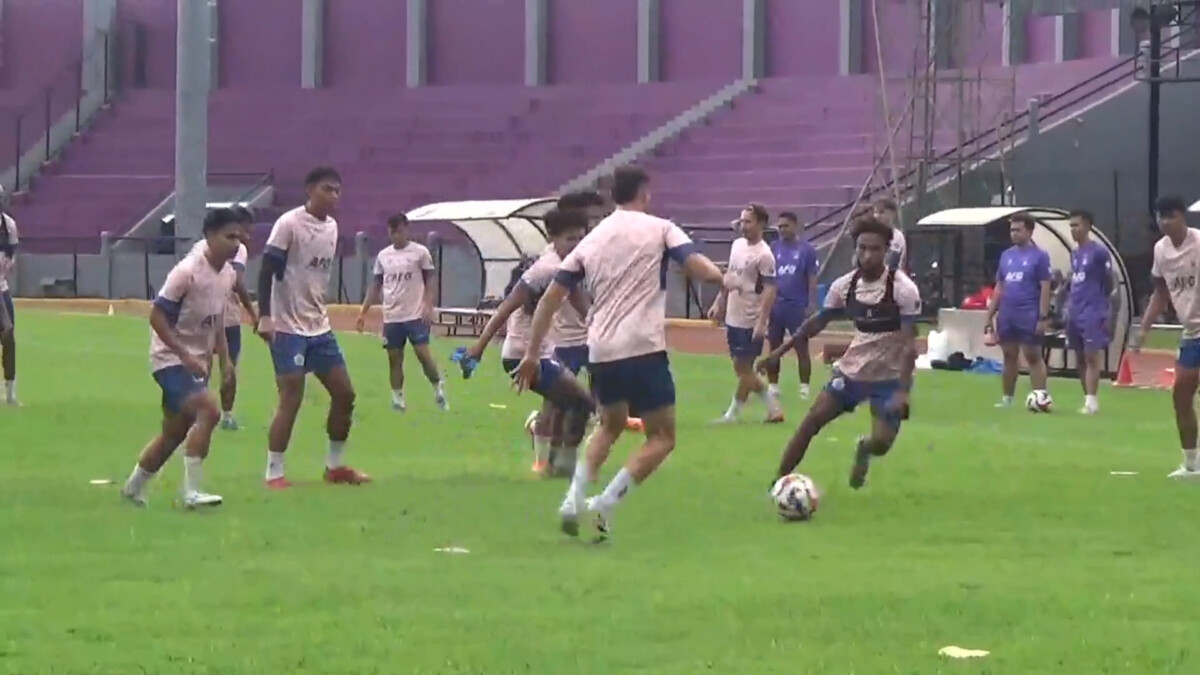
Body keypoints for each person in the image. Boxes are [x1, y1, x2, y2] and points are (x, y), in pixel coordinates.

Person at [514, 165, 726, 539]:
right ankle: (606, 502)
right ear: (644, 193)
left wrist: (532, 354)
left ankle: (572, 499)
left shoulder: (592, 239)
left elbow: (549, 299)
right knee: (662, 437)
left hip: (601, 350)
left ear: (613, 196)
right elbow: (701, 270)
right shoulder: (661, 228)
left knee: (609, 425)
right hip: (643, 347)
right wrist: (727, 278)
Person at [756, 215, 920, 490]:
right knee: (811, 421)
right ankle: (778, 483)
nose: (867, 255)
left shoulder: (903, 289)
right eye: (862, 248)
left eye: (875, 249)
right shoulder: (844, 286)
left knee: (882, 443)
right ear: (855, 249)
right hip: (852, 372)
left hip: (889, 378)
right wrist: (779, 352)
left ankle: (864, 449)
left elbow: (909, 345)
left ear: (886, 251)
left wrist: (903, 391)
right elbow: (816, 323)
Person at [120, 208, 242, 508]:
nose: (236, 243)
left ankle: (133, 488)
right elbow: (157, 316)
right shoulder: (186, 272)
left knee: (174, 432)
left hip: (196, 361)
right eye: (229, 236)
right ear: (210, 236)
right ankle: (192, 493)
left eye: (239, 237)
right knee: (209, 411)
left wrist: (225, 360)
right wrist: (184, 355)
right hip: (170, 360)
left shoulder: (227, 274)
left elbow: (218, 320)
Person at [459, 208, 595, 477]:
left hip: (543, 352)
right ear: (552, 238)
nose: (576, 244)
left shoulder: (568, 265)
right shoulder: (546, 270)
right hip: (522, 355)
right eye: (570, 238)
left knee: (564, 403)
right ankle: (562, 466)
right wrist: (479, 348)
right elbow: (506, 308)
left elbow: (584, 308)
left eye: (581, 238)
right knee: (581, 403)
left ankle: (555, 466)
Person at [257, 166, 369, 489]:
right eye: (327, 189)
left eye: (337, 191)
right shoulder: (288, 224)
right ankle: (274, 472)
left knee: (345, 394)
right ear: (309, 190)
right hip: (288, 326)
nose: (333, 196)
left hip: (319, 327)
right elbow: (267, 270)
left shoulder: (332, 227)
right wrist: (265, 315)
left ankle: (335, 467)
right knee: (292, 396)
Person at [1132, 196, 1200, 478]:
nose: (1164, 222)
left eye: (1170, 216)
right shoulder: (1161, 250)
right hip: (1191, 332)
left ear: (1182, 216)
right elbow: (1160, 292)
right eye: (1160, 217)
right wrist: (1144, 328)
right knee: (1181, 395)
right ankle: (1191, 463)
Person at [356, 213, 446, 412]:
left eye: (399, 231)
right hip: (392, 316)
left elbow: (431, 279)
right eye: (392, 232)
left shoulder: (420, 252)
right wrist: (363, 311)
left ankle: (438, 389)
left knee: (423, 354)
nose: (396, 236)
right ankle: (398, 400)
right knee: (394, 358)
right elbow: (376, 285)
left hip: (415, 314)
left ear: (406, 229)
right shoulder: (383, 256)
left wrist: (428, 304)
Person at [709, 203, 781, 423]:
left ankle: (732, 414)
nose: (743, 226)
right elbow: (730, 275)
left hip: (750, 317)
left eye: (748, 221)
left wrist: (761, 321)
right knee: (741, 368)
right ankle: (774, 408)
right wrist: (719, 301)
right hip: (734, 314)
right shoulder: (737, 245)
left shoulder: (764, 255)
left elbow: (770, 289)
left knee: (744, 367)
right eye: (741, 221)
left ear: (761, 224)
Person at [190, 205, 258, 430]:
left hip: (202, 314)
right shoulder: (238, 249)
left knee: (205, 364)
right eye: (245, 230)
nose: (245, 237)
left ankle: (199, 410)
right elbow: (237, 280)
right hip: (226, 315)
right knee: (227, 365)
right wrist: (252, 311)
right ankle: (225, 415)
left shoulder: (200, 246)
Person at [985, 212, 1052, 408]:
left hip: (1028, 313)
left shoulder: (1040, 256)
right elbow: (999, 286)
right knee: (1009, 355)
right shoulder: (1006, 256)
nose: (1014, 234)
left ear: (1029, 231)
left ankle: (1040, 398)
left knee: (1033, 355)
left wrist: (1042, 316)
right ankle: (1007, 399)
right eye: (1012, 230)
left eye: (1018, 230)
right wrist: (990, 314)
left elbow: (1045, 287)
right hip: (1008, 314)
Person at [765, 210, 819, 400]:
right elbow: (768, 277)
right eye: (779, 226)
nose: (781, 230)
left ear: (795, 226)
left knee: (801, 346)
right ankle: (773, 385)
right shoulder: (773, 248)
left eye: (785, 226)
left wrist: (812, 303)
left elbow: (812, 278)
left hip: (797, 305)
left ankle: (804, 387)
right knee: (774, 346)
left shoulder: (807, 250)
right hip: (776, 305)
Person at [1066, 209, 1116, 415]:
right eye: (1071, 226)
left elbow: (1109, 281)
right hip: (1075, 310)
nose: (1073, 230)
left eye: (1076, 225)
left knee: (1091, 356)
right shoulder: (1075, 253)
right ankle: (1087, 398)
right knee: (1079, 357)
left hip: (1092, 310)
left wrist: (1103, 308)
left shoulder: (1099, 252)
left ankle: (1092, 401)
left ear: (1087, 226)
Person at [0, 187, 17, 406]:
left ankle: (10, 392)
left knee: (9, 336)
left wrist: (7, 266)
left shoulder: (8, 225)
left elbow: (12, 255)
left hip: (1, 287)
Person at [873, 198, 907, 270]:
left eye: (881, 212)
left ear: (892, 214)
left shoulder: (898, 236)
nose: (877, 216)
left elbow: (896, 261)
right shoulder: (868, 234)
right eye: (875, 212)